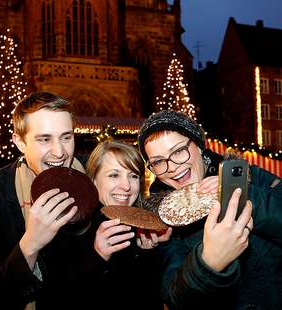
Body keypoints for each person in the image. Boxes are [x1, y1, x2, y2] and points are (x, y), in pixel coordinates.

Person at [138, 109, 282, 309]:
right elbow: (175, 297)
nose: (171, 167)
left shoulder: (248, 176)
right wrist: (208, 263)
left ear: (198, 145)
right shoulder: (163, 220)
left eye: (178, 150)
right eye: (158, 161)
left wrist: (241, 194)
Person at [0, 91, 101, 309]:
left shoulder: (95, 177)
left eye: (66, 137)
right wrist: (31, 243)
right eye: (44, 139)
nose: (59, 152)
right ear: (20, 142)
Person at [85, 139, 171, 310]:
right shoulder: (73, 229)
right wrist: (98, 258)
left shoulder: (145, 227)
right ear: (94, 180)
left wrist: (148, 254)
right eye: (114, 175)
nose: (126, 186)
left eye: (133, 176)